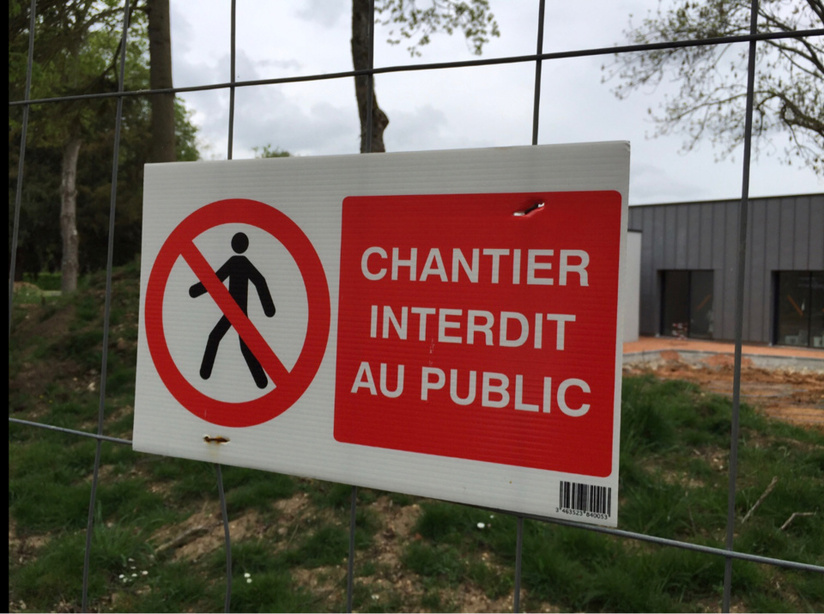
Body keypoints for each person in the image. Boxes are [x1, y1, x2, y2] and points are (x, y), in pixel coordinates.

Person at [189, 232, 276, 388]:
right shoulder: (242, 263)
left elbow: (214, 280)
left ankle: (261, 381)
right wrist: (268, 308)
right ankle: (261, 381)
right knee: (231, 341)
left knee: (218, 338)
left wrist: (195, 290)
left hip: (235, 312)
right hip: (235, 312)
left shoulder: (234, 263)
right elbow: (259, 281)